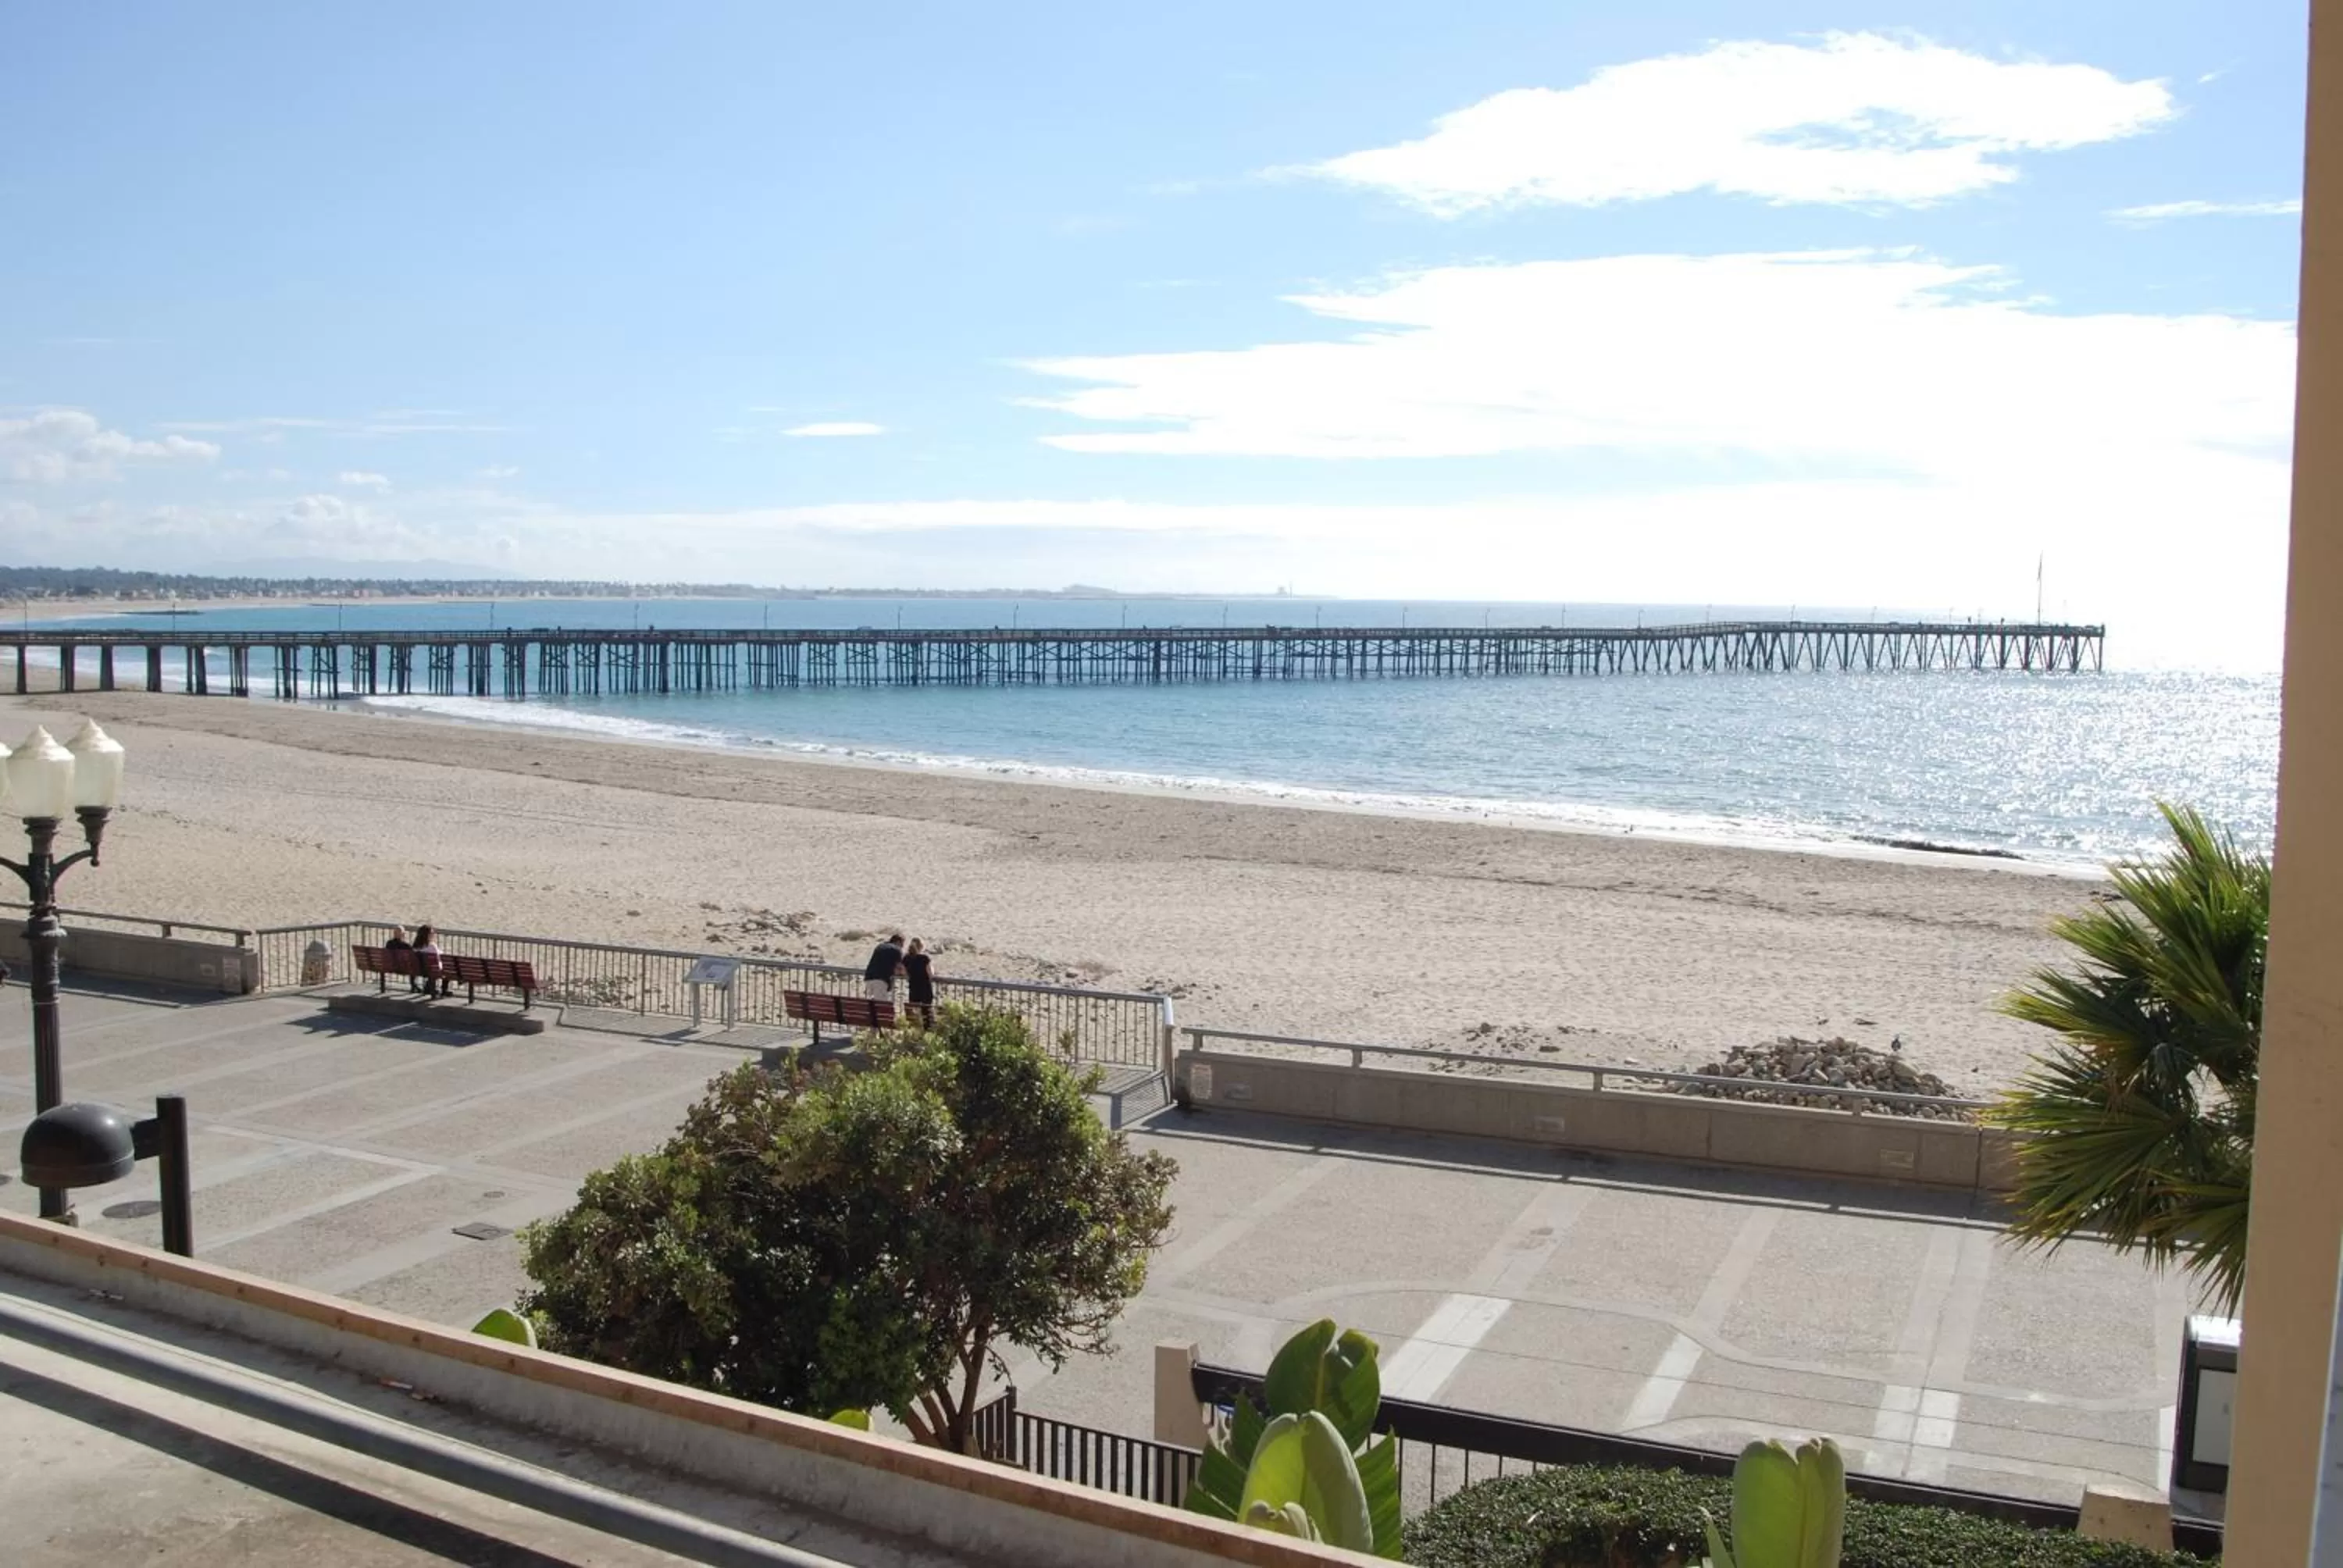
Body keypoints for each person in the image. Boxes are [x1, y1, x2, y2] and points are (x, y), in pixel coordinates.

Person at [863, 933, 905, 1002]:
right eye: (902, 944)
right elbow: (901, 967)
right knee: (881, 1005)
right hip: (881, 980)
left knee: (870, 1005)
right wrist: (905, 974)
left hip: (869, 978)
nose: (902, 947)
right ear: (898, 942)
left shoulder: (880, 946)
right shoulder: (897, 950)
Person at [412, 924, 449, 999]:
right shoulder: (431, 946)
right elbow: (439, 957)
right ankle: (444, 991)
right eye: (432, 933)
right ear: (427, 935)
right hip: (432, 970)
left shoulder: (415, 947)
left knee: (432, 967)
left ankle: (429, 988)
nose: (434, 934)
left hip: (420, 970)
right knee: (448, 969)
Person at [904, 937, 935, 1025]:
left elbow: (905, 973)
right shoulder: (924, 958)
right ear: (921, 946)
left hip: (913, 989)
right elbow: (931, 974)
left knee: (914, 1014)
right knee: (927, 1014)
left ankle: (915, 1032)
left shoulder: (906, 958)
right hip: (925, 989)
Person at [383, 925, 419, 993]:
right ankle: (413, 985)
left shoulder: (389, 943)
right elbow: (413, 956)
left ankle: (414, 986)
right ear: (403, 934)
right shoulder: (406, 946)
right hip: (404, 968)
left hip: (391, 967)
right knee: (414, 965)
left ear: (394, 934)